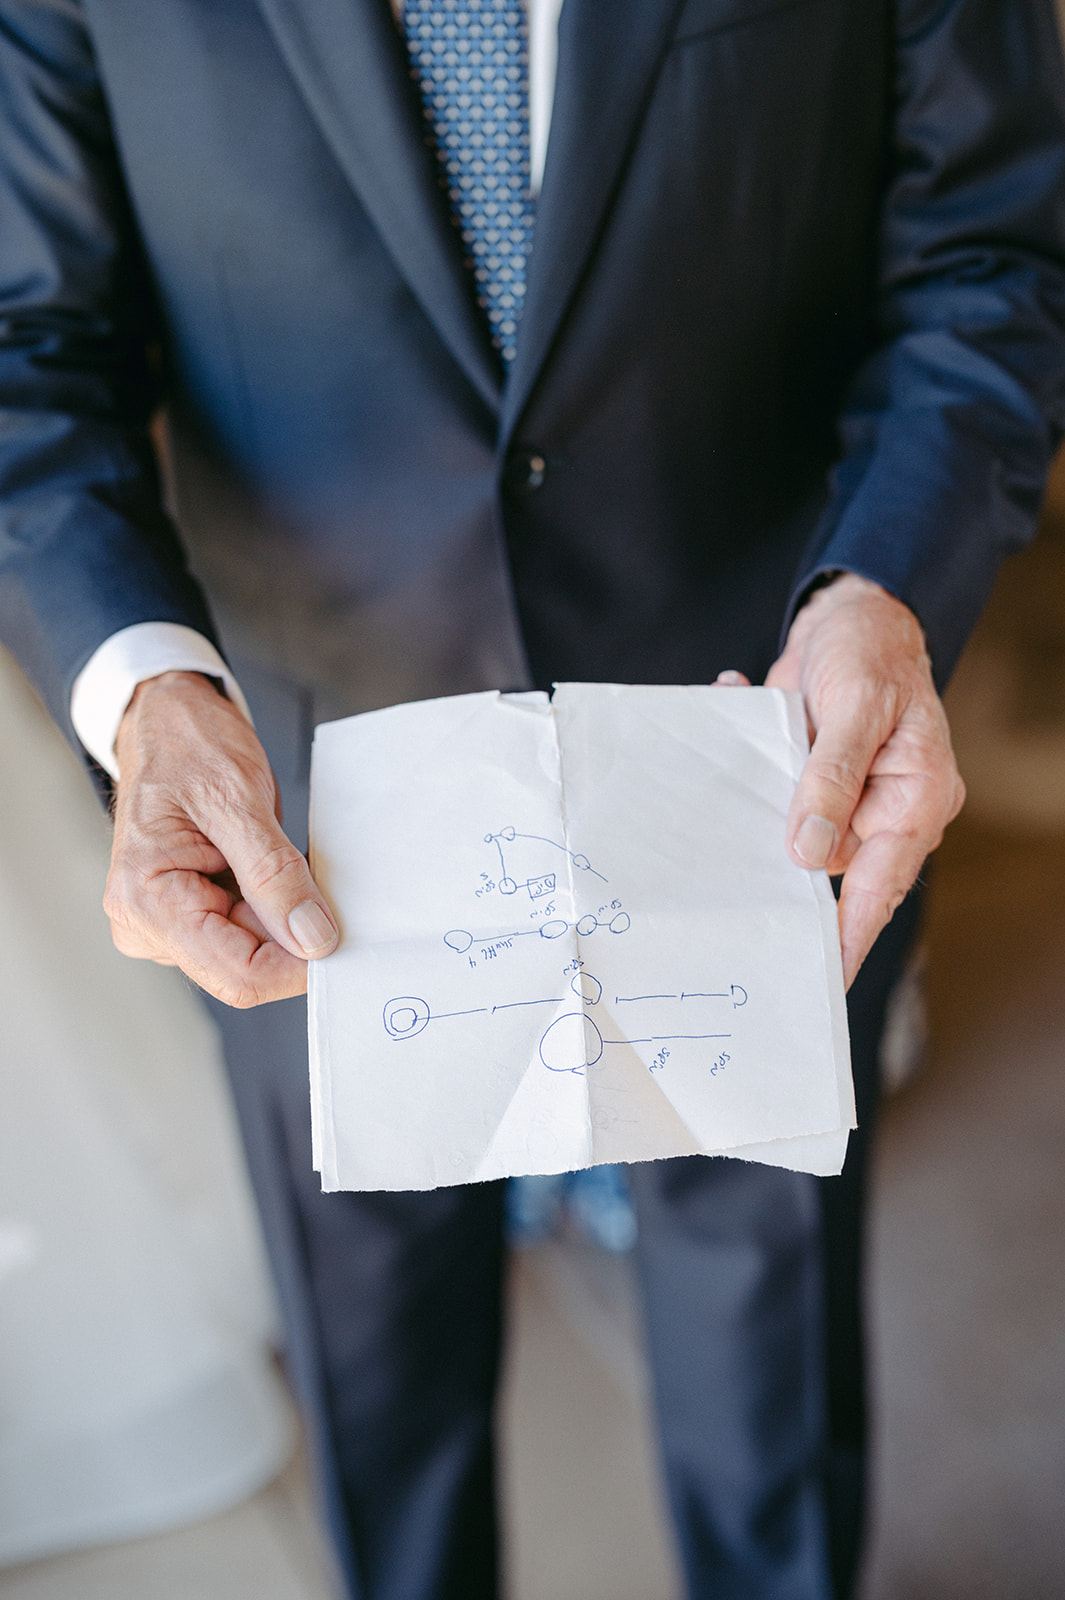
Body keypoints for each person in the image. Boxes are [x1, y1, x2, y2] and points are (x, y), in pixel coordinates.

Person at [2, 1, 1064, 1596]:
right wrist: (144, 689)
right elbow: (24, 347)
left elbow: (988, 251)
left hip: (764, 733)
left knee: (765, 1339)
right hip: (293, 779)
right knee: (378, 1361)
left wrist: (886, 586)